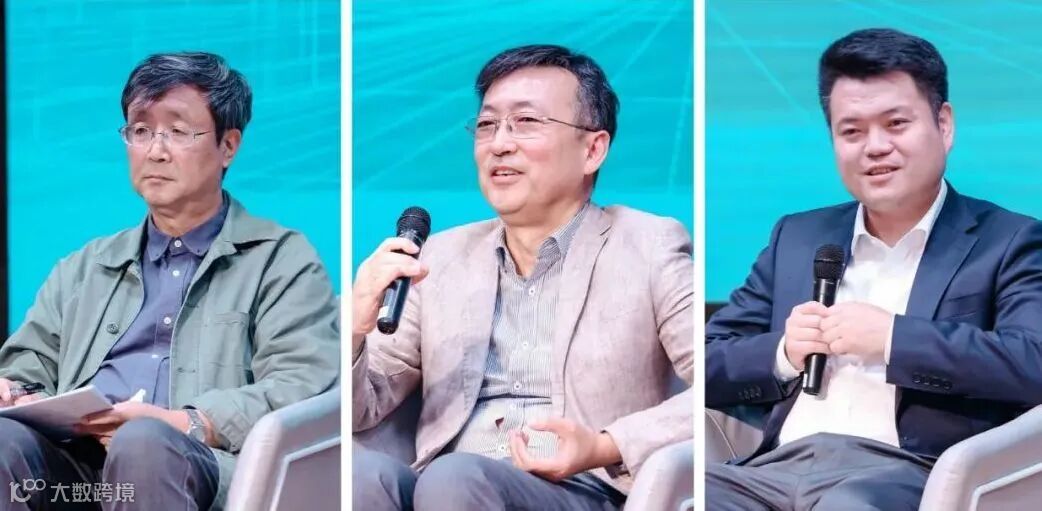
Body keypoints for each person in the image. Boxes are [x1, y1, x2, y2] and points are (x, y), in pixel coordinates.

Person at [705, 28, 1042, 510]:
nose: (875, 146)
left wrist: (893, 338)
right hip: (770, 472)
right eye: (852, 131)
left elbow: (1032, 362)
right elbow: (709, 361)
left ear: (944, 125)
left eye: (896, 124)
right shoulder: (797, 238)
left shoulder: (1009, 241)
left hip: (908, 473)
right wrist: (784, 352)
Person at [352, 44, 693, 511]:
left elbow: (713, 386)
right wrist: (355, 331)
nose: (499, 144)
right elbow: (363, 408)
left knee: (454, 478)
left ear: (593, 149)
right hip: (445, 484)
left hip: (582, 489)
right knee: (358, 478)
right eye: (487, 125)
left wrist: (604, 444)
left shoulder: (648, 245)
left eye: (526, 122)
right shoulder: (441, 256)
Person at [0, 52, 340, 510]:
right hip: (77, 475)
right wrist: (13, 390)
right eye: (140, 131)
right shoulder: (83, 267)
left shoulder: (280, 260)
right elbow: (26, 368)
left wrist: (187, 422)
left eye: (178, 132)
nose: (155, 151)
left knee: (143, 443)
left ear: (228, 146)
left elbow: (300, 384)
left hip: (199, 467)